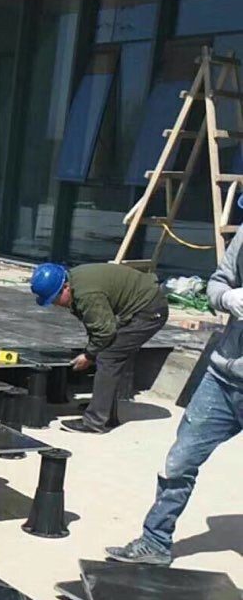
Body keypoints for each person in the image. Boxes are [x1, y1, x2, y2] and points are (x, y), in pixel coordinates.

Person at [106, 225, 243, 564]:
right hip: (223, 378)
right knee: (179, 461)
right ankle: (155, 542)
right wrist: (227, 297)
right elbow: (217, 283)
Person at [30, 260, 169, 433]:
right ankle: (104, 411)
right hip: (142, 305)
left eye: (55, 299)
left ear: (66, 287)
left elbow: (105, 331)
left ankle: (95, 421)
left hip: (149, 311)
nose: (55, 304)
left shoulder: (87, 294)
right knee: (109, 353)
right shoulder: (77, 283)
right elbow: (98, 324)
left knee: (109, 357)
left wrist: (89, 355)